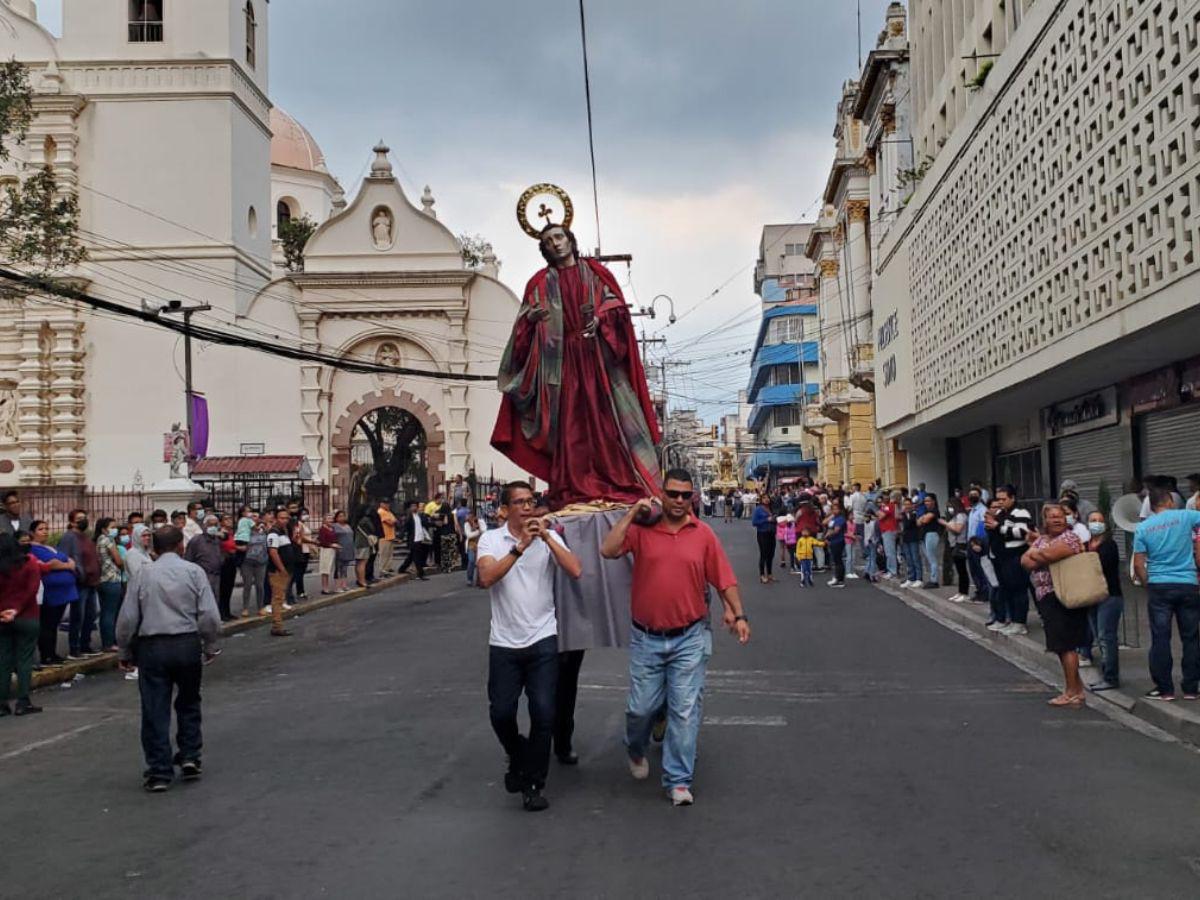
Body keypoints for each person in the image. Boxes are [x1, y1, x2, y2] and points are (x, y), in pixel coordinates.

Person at [601, 468, 750, 807]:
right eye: (673, 494)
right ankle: (635, 748)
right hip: (646, 637)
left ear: (692, 498)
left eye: (686, 495)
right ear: (662, 494)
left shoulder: (703, 534)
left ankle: (678, 780)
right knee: (640, 709)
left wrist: (738, 613)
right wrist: (631, 514)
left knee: (684, 711)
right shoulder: (641, 530)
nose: (680, 501)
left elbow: (723, 577)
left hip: (690, 636)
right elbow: (608, 550)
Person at [491, 222, 662, 511]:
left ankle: (618, 480)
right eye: (547, 241)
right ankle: (575, 485)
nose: (555, 244)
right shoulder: (539, 283)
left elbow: (616, 307)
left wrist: (601, 319)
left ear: (570, 240)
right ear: (543, 249)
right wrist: (531, 319)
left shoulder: (595, 273)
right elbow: (520, 334)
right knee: (571, 430)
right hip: (561, 368)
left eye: (559, 237)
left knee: (611, 423)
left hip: (599, 363)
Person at [476, 481, 584, 812]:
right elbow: (486, 578)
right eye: (519, 502)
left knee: (543, 712)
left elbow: (576, 570)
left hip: (542, 638)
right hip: (504, 643)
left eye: (531, 501)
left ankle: (534, 783)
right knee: (501, 713)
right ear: (505, 510)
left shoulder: (548, 539)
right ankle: (519, 753)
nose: (527, 507)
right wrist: (519, 547)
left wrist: (548, 536)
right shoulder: (490, 540)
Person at [116, 525, 221, 792]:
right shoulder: (193, 572)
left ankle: (159, 770)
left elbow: (128, 618)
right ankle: (189, 755)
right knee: (188, 702)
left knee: (154, 708)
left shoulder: (143, 574)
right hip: (186, 643)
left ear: (154, 548)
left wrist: (124, 650)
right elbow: (208, 614)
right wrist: (210, 644)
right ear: (180, 546)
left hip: (152, 646)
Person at [1133, 485, 1200, 700]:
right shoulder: (1185, 517)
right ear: (1170, 501)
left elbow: (1138, 564)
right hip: (1188, 584)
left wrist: (1148, 584)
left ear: (1151, 506)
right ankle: (1191, 688)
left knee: (1160, 638)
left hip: (1159, 586)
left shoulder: (1143, 528)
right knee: (1190, 638)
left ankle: (1165, 689)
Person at [1021, 503, 1088, 707]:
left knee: (1066, 644)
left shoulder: (1070, 538)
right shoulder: (1042, 539)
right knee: (1059, 646)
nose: (1058, 520)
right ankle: (1077, 689)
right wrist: (1036, 554)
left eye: (1061, 516)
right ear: (1045, 520)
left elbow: (1047, 556)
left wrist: (1037, 553)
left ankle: (1070, 692)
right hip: (1046, 598)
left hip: (1063, 594)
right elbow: (1025, 562)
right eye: (1052, 517)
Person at [0, 531, 67, 714]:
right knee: (24, 660)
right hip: (27, 616)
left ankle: (2, 703)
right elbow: (32, 589)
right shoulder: (28, 562)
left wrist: (5, 611)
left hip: (3, 617)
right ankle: (23, 701)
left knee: (4, 660)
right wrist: (17, 609)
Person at [986, 485, 1034, 635]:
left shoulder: (1021, 512)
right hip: (1001, 557)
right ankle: (1011, 619)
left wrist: (998, 527)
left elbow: (1023, 532)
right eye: (998, 499)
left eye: (1003, 499)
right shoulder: (1001, 513)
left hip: (1015, 557)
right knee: (1006, 590)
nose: (1000, 502)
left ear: (1012, 498)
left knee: (1018, 590)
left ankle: (1020, 622)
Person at [1085, 510, 1124, 692]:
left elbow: (1101, 565)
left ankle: (1111, 677)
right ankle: (1106, 673)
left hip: (1109, 596)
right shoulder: (1085, 545)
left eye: (1099, 520)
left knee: (1106, 636)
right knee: (1100, 637)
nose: (1096, 523)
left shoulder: (1109, 545)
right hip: (1091, 595)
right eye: (1093, 520)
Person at [58, 509, 101, 660]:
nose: (84, 521)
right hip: (80, 582)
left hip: (92, 583)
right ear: (71, 522)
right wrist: (79, 574)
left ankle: (85, 645)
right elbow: (65, 558)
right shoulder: (69, 538)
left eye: (84, 517)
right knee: (78, 616)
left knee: (90, 615)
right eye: (79, 519)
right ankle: (74, 648)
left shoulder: (86, 537)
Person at [94, 517, 125, 651]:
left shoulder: (98, 540)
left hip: (102, 579)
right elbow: (118, 561)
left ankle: (108, 641)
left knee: (106, 611)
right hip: (112, 579)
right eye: (112, 527)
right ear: (104, 529)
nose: (115, 530)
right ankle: (109, 642)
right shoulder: (108, 540)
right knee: (110, 612)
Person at [184, 515, 223, 613]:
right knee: (203, 600)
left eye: (215, 525)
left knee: (215, 599)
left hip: (216, 575)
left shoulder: (217, 540)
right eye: (210, 525)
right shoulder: (196, 540)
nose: (213, 527)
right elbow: (189, 559)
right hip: (203, 575)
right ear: (204, 526)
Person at [266, 509, 295, 637]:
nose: (284, 520)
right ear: (276, 519)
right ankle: (277, 626)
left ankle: (278, 624)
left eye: (286, 518)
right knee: (277, 598)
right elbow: (273, 552)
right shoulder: (273, 534)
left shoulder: (284, 532)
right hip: (278, 571)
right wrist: (282, 569)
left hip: (286, 569)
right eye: (281, 518)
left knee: (280, 598)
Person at [940, 501, 971, 602]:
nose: (949, 509)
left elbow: (958, 529)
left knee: (962, 570)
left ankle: (964, 592)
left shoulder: (961, 516)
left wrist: (945, 523)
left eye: (951, 507)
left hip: (960, 544)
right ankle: (960, 592)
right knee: (959, 569)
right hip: (953, 544)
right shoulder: (955, 517)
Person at [240, 517, 268, 617]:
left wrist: (266, 529)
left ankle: (260, 607)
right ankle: (245, 608)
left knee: (260, 585)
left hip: (261, 561)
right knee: (247, 585)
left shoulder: (264, 532)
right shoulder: (245, 533)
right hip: (247, 562)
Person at [397, 501, 430, 581]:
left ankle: (401, 569)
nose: (414, 508)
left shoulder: (418, 516)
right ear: (410, 508)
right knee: (417, 558)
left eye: (415, 506)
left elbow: (423, 525)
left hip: (419, 539)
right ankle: (421, 574)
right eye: (412, 506)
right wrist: (400, 537)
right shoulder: (409, 517)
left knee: (411, 557)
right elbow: (404, 528)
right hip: (413, 540)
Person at [916, 494, 942, 589]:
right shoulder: (926, 511)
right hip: (924, 535)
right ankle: (932, 578)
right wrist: (922, 518)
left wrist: (922, 518)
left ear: (933, 501)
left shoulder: (934, 511)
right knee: (929, 558)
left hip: (931, 534)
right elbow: (918, 522)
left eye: (929, 501)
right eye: (925, 501)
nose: (927, 503)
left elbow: (925, 520)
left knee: (932, 558)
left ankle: (934, 580)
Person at [291, 508, 315, 600]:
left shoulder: (304, 524)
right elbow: (300, 537)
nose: (306, 515)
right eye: (304, 513)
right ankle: (298, 591)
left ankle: (300, 591)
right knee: (298, 572)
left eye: (307, 513)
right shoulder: (298, 524)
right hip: (301, 550)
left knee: (301, 572)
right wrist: (313, 542)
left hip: (306, 549)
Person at [899, 498, 923, 587]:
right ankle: (911, 578)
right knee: (908, 559)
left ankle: (919, 578)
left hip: (913, 538)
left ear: (912, 505)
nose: (907, 506)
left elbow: (909, 524)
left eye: (908, 504)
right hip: (905, 539)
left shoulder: (914, 514)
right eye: (905, 504)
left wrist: (909, 514)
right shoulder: (903, 514)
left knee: (915, 558)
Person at [751, 496, 775, 584]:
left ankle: (769, 574)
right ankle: (762, 575)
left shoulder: (771, 508)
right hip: (762, 533)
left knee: (771, 554)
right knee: (764, 554)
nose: (766, 499)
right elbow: (754, 522)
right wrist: (766, 520)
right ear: (761, 500)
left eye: (768, 498)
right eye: (764, 498)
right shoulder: (758, 509)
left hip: (771, 533)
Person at [825, 498, 847, 588]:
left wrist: (828, 536)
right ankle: (837, 577)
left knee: (838, 561)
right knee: (836, 560)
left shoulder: (840, 519)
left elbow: (836, 530)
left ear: (840, 510)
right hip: (833, 541)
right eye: (833, 509)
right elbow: (828, 526)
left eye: (836, 509)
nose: (834, 511)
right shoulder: (834, 518)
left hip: (838, 540)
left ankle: (840, 580)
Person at [354, 512, 377, 588]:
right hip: (364, 543)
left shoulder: (355, 519)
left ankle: (358, 579)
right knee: (363, 563)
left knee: (357, 563)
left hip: (357, 542)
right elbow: (372, 529)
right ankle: (362, 581)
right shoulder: (365, 520)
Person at [317, 513, 338, 595]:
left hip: (332, 550)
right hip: (326, 550)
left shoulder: (332, 528)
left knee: (329, 569)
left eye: (331, 518)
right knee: (325, 569)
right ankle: (324, 588)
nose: (330, 520)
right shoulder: (323, 529)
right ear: (324, 520)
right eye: (328, 518)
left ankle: (327, 586)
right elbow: (322, 541)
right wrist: (331, 544)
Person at [376, 499, 397, 576]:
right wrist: (392, 521)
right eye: (386, 504)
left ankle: (388, 568)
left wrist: (393, 521)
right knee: (384, 554)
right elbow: (390, 523)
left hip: (390, 535)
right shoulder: (381, 512)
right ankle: (382, 570)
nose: (388, 505)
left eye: (388, 503)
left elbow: (395, 520)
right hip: (384, 536)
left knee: (389, 554)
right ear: (381, 504)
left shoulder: (389, 512)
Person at [463, 510, 483, 586]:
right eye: (469, 517)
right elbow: (469, 535)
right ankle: (469, 579)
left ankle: (480, 579)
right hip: (471, 545)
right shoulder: (466, 524)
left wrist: (479, 526)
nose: (470, 519)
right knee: (471, 561)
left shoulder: (480, 522)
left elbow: (484, 530)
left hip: (480, 544)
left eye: (471, 517)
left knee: (479, 562)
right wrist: (478, 532)